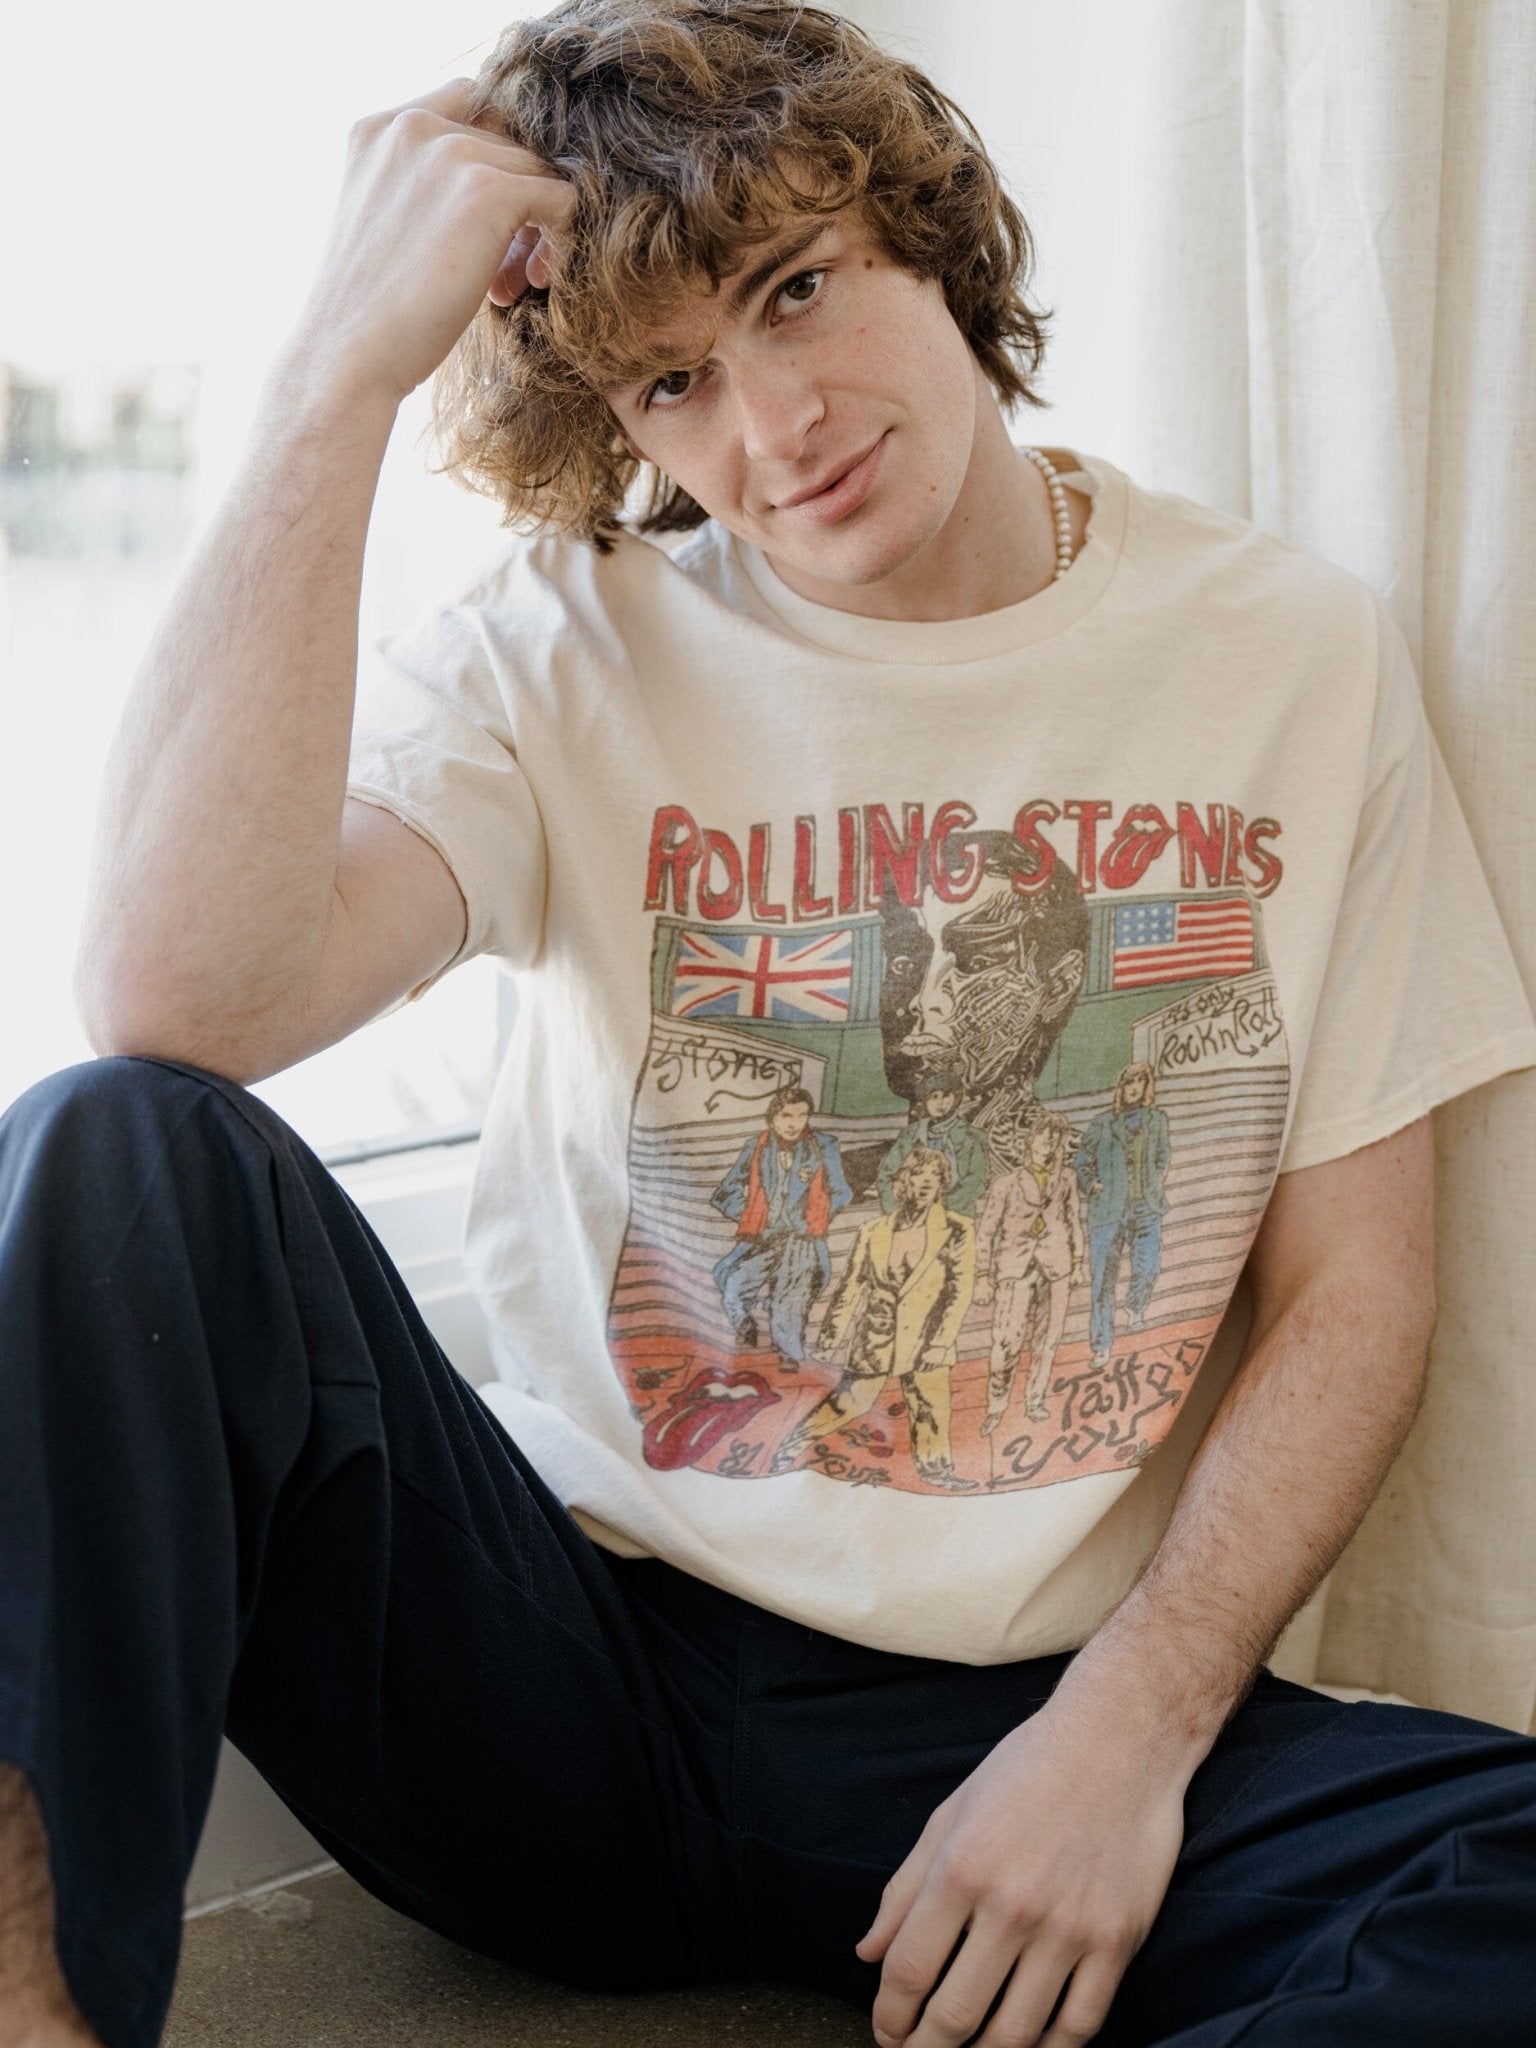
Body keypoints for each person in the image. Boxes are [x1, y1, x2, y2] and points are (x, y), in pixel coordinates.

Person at [4, 4, 1536, 2045]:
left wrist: (1131, 1728)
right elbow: (177, 997)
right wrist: (335, 371)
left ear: (931, 234)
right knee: (116, 1142)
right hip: (571, 1671)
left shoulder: (1286, 655)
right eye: (673, 382)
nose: (775, 423)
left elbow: (1356, 1289)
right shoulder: (560, 647)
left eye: (798, 288)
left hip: (1025, 1716)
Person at [779, 1144, 978, 1489]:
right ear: (902, 1182)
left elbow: (959, 1291)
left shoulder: (958, 1229)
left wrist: (940, 1342)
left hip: (927, 1337)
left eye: (934, 1176)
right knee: (848, 1401)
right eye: (917, 1174)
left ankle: (937, 1471)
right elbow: (852, 1286)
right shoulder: (874, 1230)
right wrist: (831, 1335)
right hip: (876, 1333)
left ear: (942, 1184)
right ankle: (790, 1447)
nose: (925, 1182)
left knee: (931, 1407)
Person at [710, 1083, 854, 1362]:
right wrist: (752, 1216)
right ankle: (745, 1325)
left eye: (802, 1115)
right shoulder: (756, 1146)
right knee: (733, 1285)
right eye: (786, 1115)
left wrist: (813, 1219)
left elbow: (842, 1192)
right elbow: (725, 1192)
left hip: (801, 1237)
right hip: (763, 1236)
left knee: (792, 1297)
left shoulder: (823, 1145)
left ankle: (789, 1354)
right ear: (772, 1118)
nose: (794, 1123)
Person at [973, 1109, 1086, 1433]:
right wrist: (982, 1276)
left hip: (1056, 1267)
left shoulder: (1066, 1178)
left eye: (1055, 1137)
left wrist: (1077, 1262)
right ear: (1029, 1140)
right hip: (1015, 1268)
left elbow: (1073, 1220)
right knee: (1007, 1341)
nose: (1048, 1142)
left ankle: (1035, 1401)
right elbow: (986, 1231)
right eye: (1042, 1135)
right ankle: (996, 1406)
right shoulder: (1006, 1183)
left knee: (1047, 1341)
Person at [1072, 1063, 1171, 1365]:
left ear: (1146, 1087)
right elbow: (1081, 1160)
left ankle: (1134, 1305)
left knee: (1148, 1267)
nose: (1134, 1088)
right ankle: (1101, 1343)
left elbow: (1162, 1156)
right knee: (1103, 1281)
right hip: (1108, 1211)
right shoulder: (1103, 1123)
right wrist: (1092, 1185)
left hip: (1146, 1206)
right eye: (1129, 1082)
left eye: (1140, 1082)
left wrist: (1154, 1181)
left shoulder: (1157, 1120)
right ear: (1121, 1087)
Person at [876, 1070, 990, 1217]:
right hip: (907, 1214)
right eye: (933, 1097)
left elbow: (977, 1180)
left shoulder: (973, 1136)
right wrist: (896, 1211)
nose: (940, 1102)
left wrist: (939, 1210)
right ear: (924, 1101)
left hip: (954, 1214)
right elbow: (886, 1175)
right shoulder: (909, 1135)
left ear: (956, 1098)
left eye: (946, 1096)